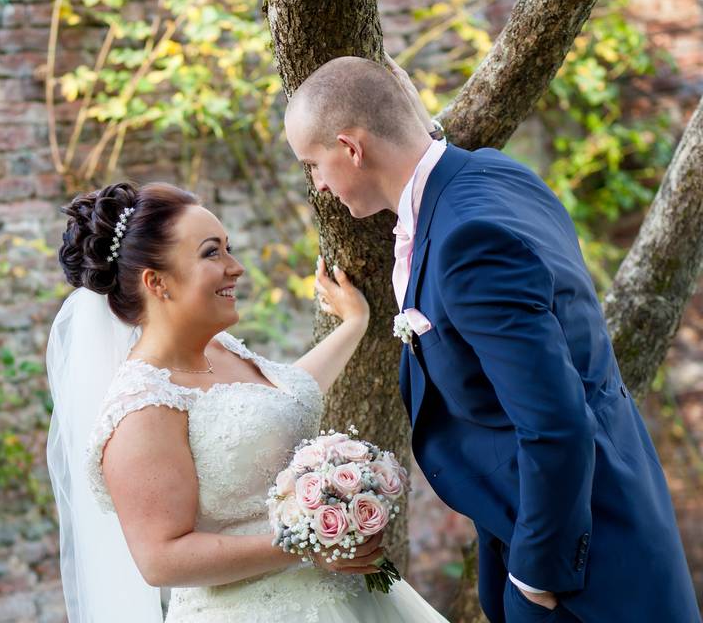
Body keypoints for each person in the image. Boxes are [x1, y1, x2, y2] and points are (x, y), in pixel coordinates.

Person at [283, 55, 701, 623]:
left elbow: (555, 421)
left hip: (584, 569)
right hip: (597, 512)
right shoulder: (494, 174)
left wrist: (534, 577)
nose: (320, 185)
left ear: (350, 148)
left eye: (313, 164)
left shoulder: (466, 241)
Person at [46, 181, 449, 622]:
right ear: (157, 282)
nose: (235, 267)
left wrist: (354, 324)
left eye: (228, 248)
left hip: (347, 596)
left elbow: (286, 395)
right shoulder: (142, 408)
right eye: (211, 253)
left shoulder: (219, 348)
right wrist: (308, 545)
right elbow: (160, 558)